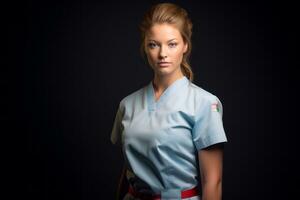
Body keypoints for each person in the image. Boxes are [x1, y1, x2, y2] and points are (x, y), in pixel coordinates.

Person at [110, 2, 228, 200]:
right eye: (154, 44)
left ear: (185, 45)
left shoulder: (204, 103)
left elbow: (213, 182)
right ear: (145, 47)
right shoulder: (127, 104)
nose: (162, 54)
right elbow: (129, 169)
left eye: (171, 44)